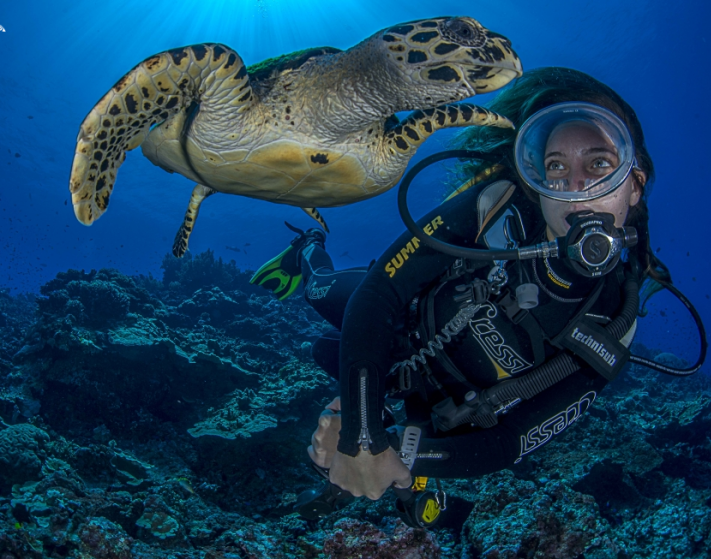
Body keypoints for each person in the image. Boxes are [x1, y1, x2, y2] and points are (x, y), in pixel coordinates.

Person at [251, 67, 677, 514]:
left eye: (599, 165)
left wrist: (393, 455)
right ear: (536, 178)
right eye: (555, 167)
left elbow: (508, 442)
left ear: (635, 185)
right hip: (401, 321)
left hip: (439, 411)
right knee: (317, 292)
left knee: (403, 501)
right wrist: (362, 436)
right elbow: (380, 293)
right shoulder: (496, 204)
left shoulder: (612, 325)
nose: (575, 190)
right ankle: (308, 248)